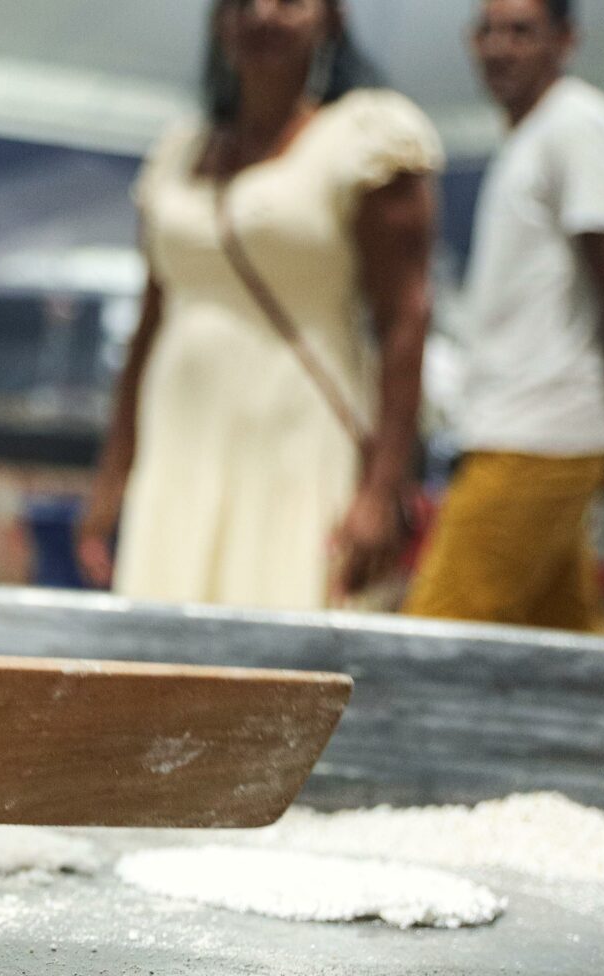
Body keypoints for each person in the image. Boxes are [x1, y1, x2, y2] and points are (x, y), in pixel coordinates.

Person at [79, 0, 442, 612]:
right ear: (220, 22)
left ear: (331, 18)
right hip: (178, 441)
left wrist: (382, 490)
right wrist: (114, 472)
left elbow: (406, 319)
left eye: (290, 1)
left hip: (300, 438)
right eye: (242, 3)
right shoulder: (177, 153)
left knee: (289, 633)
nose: (264, 16)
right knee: (163, 644)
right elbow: (148, 324)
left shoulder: (365, 139)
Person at [404, 0, 604, 632]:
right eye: (488, 30)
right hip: (530, 430)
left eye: (522, 31)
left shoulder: (578, 126)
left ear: (566, 41)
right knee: (562, 652)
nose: (500, 47)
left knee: (434, 640)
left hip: (537, 437)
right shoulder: (533, 136)